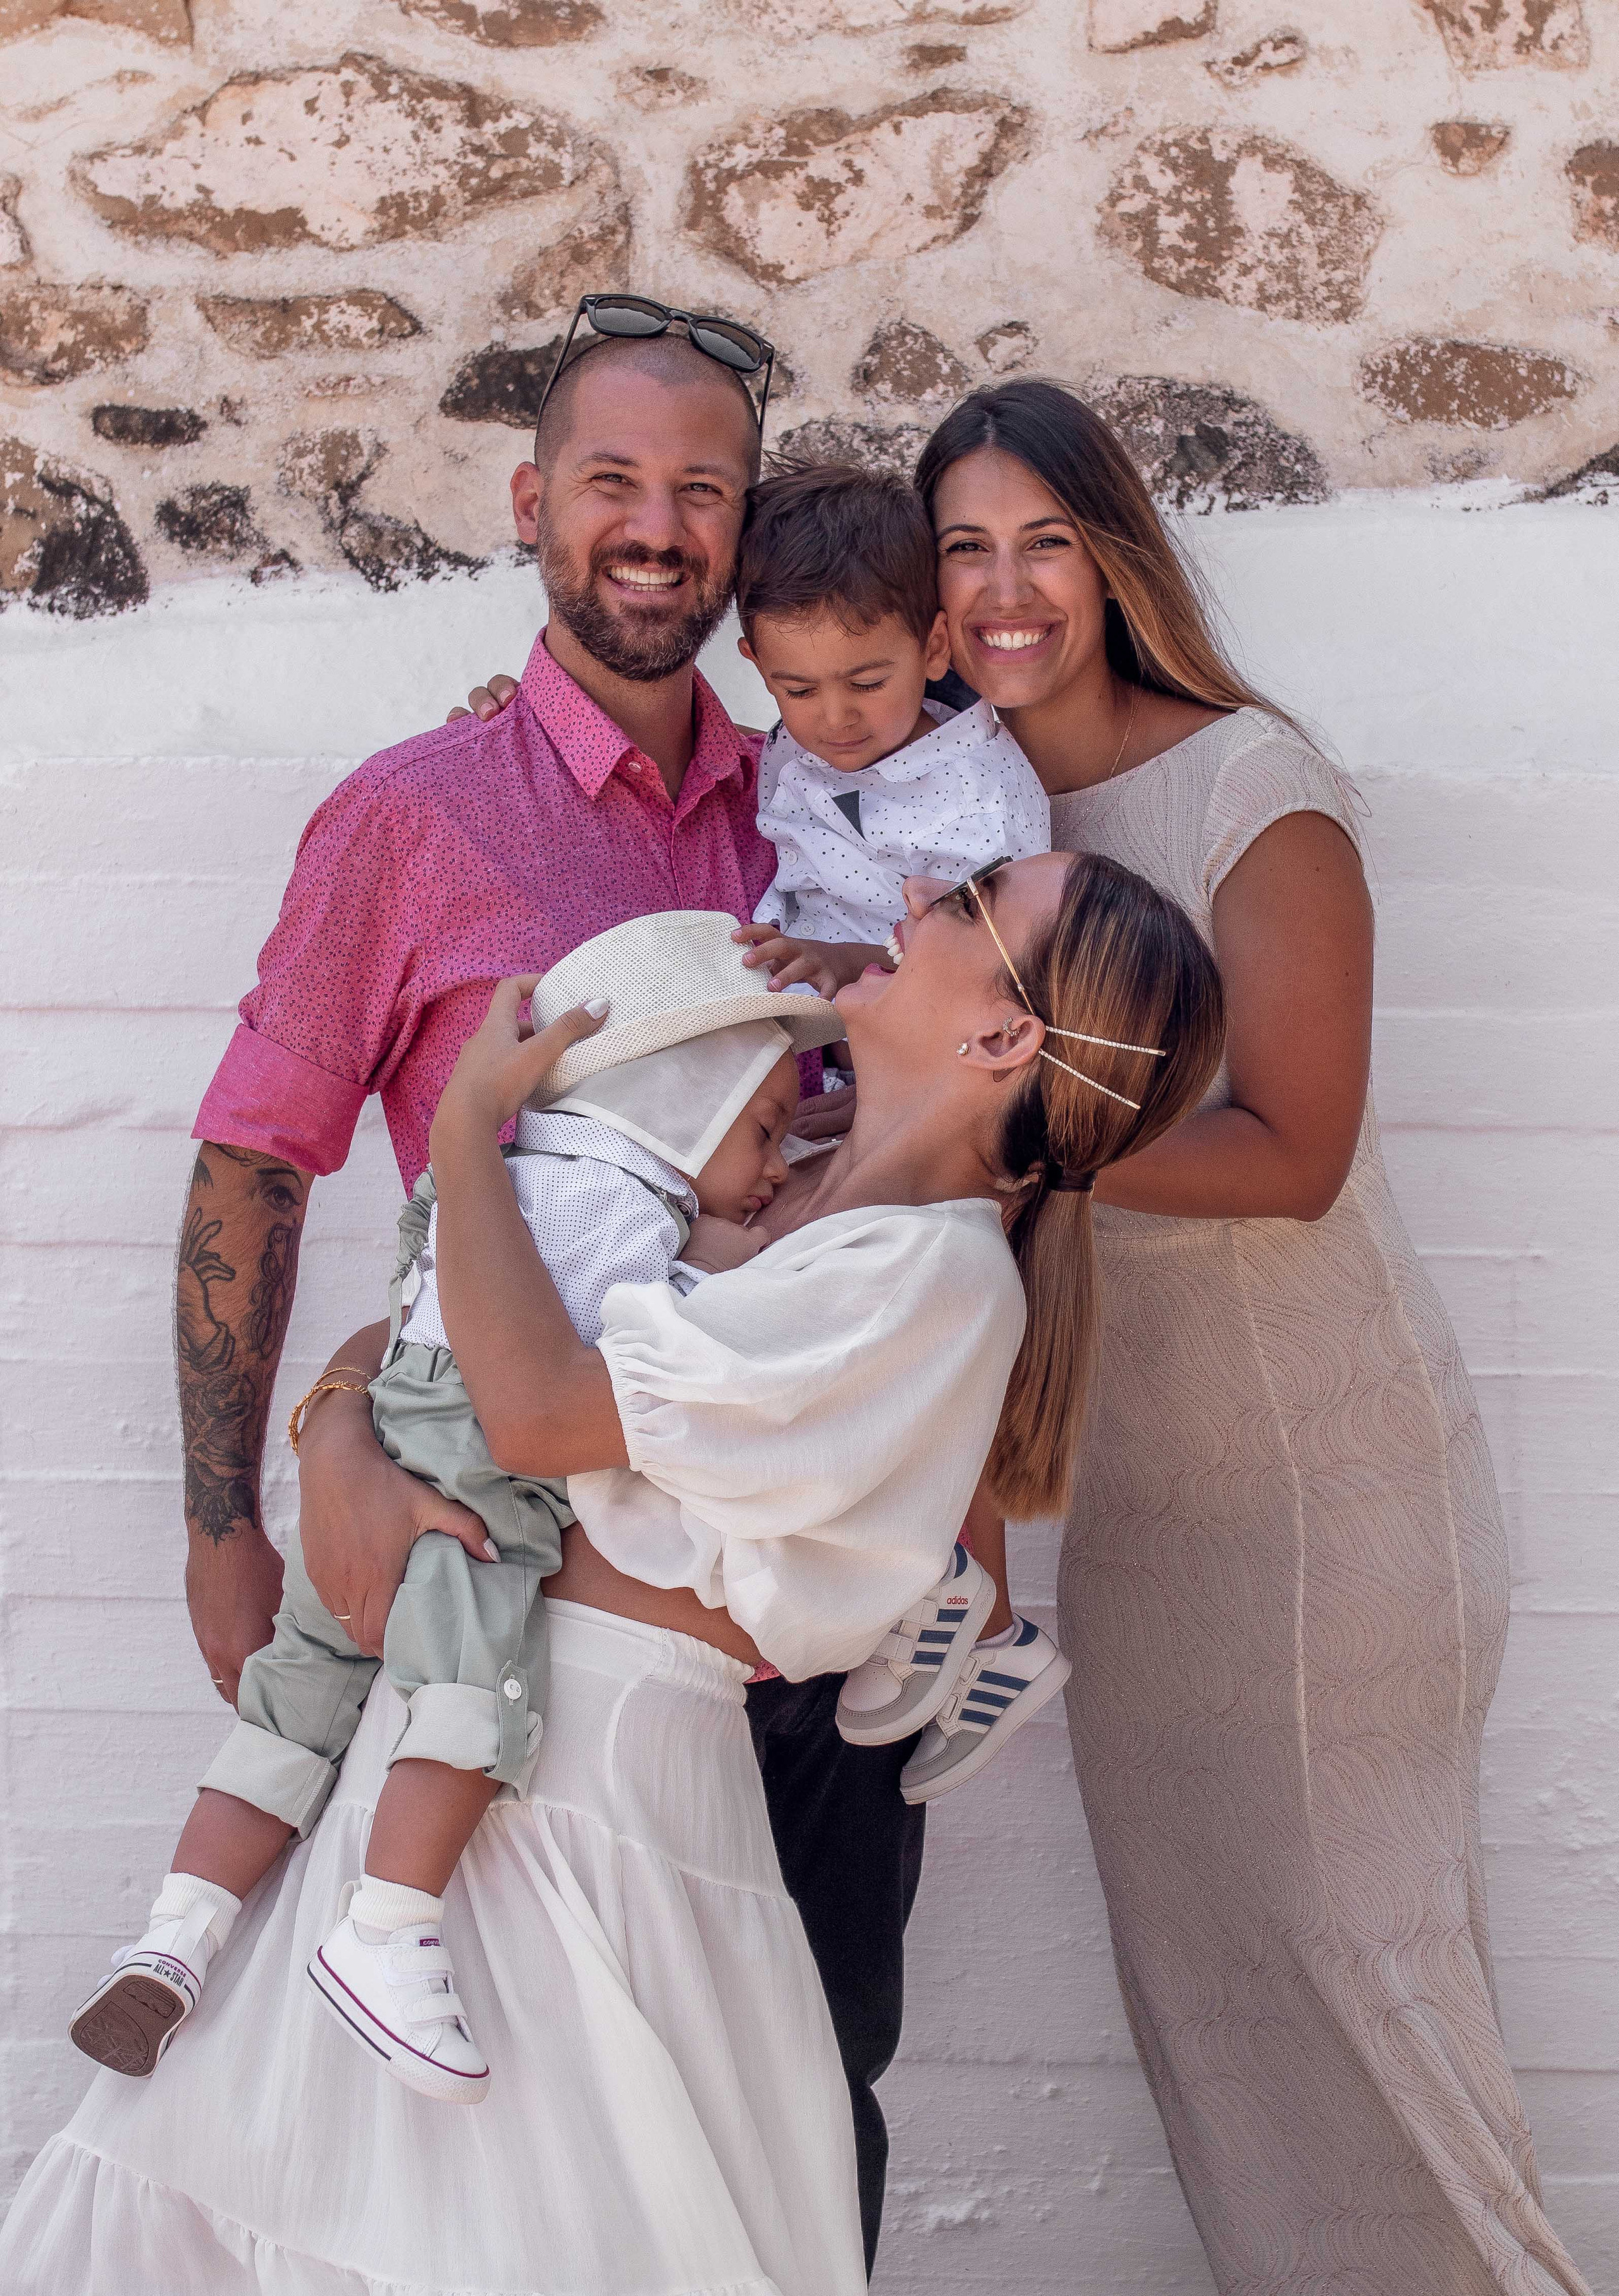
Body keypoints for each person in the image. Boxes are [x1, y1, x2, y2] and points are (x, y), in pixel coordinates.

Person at [0, 850, 1226, 2296]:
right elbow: (431, 1340)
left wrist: (469, 1126)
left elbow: (525, 1406)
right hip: (453, 1740)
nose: (903, 905)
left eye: (961, 906)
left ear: (1006, 1035)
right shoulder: (769, 1155)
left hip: (586, 1801)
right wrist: (337, 1441)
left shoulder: (929, 1283)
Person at [168, 288, 935, 2262]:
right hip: (516, 1627)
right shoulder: (413, 821)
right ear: (530, 501)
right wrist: (241, 1508)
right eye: (613, 479)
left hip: (788, 1620)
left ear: (748, 536)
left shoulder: (837, 820)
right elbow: (259, 1163)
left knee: (793, 2120)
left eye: (704, 490)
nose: (657, 525)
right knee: (474, 2175)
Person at [905, 378, 1592, 2296]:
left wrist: (1006, 1143)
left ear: (1118, 556)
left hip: (1329, 1505)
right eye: (965, 548)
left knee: (1372, 2025)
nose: (1005, 590)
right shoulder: (960, 805)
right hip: (1144, 1517)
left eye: (1044, 540)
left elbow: (1292, 1151)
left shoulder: (1249, 789)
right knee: (1229, 2043)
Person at [70, 914, 842, 2103]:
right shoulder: (627, 1214)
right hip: (472, 1505)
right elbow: (624, 1353)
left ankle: (177, 1930)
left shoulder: (491, 1179)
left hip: (379, 1459)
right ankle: (389, 1924)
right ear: (680, 1101)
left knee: (290, 1718)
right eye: (765, 1130)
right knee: (475, 1703)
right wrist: (756, 1246)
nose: (776, 1166)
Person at [718, 460, 1066, 1795]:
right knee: (841, 1353)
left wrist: (830, 952)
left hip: (948, 1123)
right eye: (794, 688)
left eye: (865, 682)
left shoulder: (981, 799)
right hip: (836, 1112)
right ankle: (965, 1608)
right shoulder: (793, 746)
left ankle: (967, 1601)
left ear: (931, 644)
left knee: (917, 1361)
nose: (832, 717)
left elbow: (985, 968)